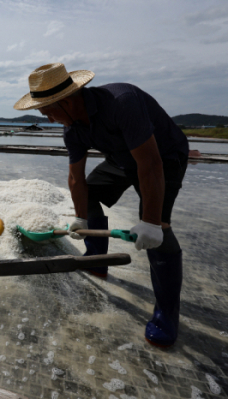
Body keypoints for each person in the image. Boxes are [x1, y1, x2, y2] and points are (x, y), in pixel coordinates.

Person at [13, 63, 189, 347]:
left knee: (160, 232)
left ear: (67, 101)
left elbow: (150, 163)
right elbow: (75, 178)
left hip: (163, 158)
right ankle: (96, 259)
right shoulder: (72, 130)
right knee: (90, 191)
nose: (47, 118)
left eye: (48, 110)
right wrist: (81, 219)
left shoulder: (122, 102)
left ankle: (167, 314)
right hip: (123, 159)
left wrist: (152, 222)